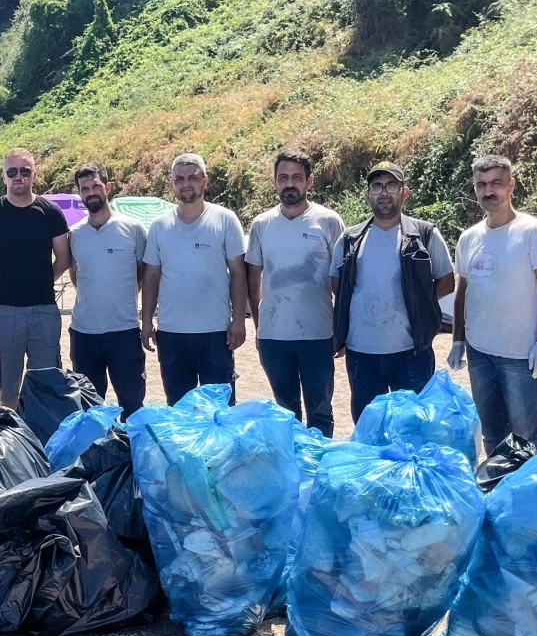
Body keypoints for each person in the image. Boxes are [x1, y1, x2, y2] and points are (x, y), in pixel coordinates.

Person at [448, 154, 537, 455]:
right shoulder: (469, 238)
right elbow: (464, 291)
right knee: (492, 433)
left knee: (527, 437)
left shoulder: (534, 233)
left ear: (511, 185)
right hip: (480, 353)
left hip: (521, 356)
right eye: (481, 185)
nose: (489, 191)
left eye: (496, 183)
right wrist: (459, 340)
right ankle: (498, 493)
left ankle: (527, 497)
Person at [329, 161, 454, 422]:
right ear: (367, 195)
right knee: (368, 425)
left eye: (391, 186)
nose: (384, 193)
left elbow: (446, 280)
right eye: (377, 186)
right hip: (361, 352)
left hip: (411, 351)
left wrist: (420, 304)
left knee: (413, 425)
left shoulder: (424, 234)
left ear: (404, 192)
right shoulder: (350, 238)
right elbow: (336, 283)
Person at [245, 151, 345, 436]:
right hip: (274, 337)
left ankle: (317, 467)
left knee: (320, 410)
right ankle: (293, 470)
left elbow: (342, 279)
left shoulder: (328, 221)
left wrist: (341, 327)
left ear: (309, 181)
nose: (290, 184)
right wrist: (259, 325)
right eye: (283, 178)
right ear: (275, 182)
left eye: (297, 178)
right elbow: (254, 279)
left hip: (318, 334)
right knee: (285, 412)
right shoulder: (261, 225)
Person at [140, 153, 248, 404]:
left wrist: (238, 320)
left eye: (193, 177)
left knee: (219, 411)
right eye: (179, 178)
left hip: (216, 333)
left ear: (205, 181)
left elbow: (239, 272)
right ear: (172, 183)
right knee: (179, 409)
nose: (186, 183)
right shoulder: (159, 226)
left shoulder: (225, 219)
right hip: (171, 333)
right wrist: (146, 321)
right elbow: (152, 275)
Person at [0, 148, 70, 409]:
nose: (19, 177)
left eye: (25, 171)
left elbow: (63, 258)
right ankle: (13, 441)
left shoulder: (50, 212)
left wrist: (41, 280)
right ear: (3, 176)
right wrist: (2, 279)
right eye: (12, 172)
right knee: (8, 384)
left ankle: (41, 440)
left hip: (45, 309)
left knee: (46, 382)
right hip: (6, 311)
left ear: (34, 175)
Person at [66, 163, 147, 417]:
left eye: (96, 186)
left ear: (108, 188)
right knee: (89, 409)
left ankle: (131, 456)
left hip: (124, 332)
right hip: (84, 334)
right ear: (79, 194)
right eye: (85, 188)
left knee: (132, 405)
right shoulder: (74, 235)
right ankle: (95, 457)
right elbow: (76, 274)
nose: (91, 192)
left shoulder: (133, 230)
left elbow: (142, 273)